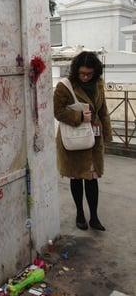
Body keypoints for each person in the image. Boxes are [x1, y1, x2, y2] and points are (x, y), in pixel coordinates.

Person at [54, 51, 112, 231]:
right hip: (74, 139)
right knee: (77, 177)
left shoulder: (99, 85)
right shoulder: (65, 86)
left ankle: (94, 217)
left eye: (89, 73)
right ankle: (80, 214)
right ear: (75, 71)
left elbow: (103, 110)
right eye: (82, 73)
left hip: (94, 138)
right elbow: (57, 111)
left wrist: (107, 134)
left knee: (92, 178)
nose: (85, 77)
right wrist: (79, 116)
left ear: (96, 72)